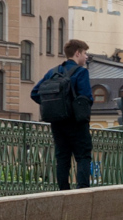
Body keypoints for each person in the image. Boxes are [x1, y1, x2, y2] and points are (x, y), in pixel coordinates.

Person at [31, 39, 94, 190]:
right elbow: (86, 98)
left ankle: (63, 191)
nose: (86, 57)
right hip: (77, 122)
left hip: (57, 123)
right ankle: (82, 190)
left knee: (62, 158)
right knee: (83, 156)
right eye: (85, 53)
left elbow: (35, 93)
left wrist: (55, 107)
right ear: (77, 53)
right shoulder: (81, 72)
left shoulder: (52, 72)